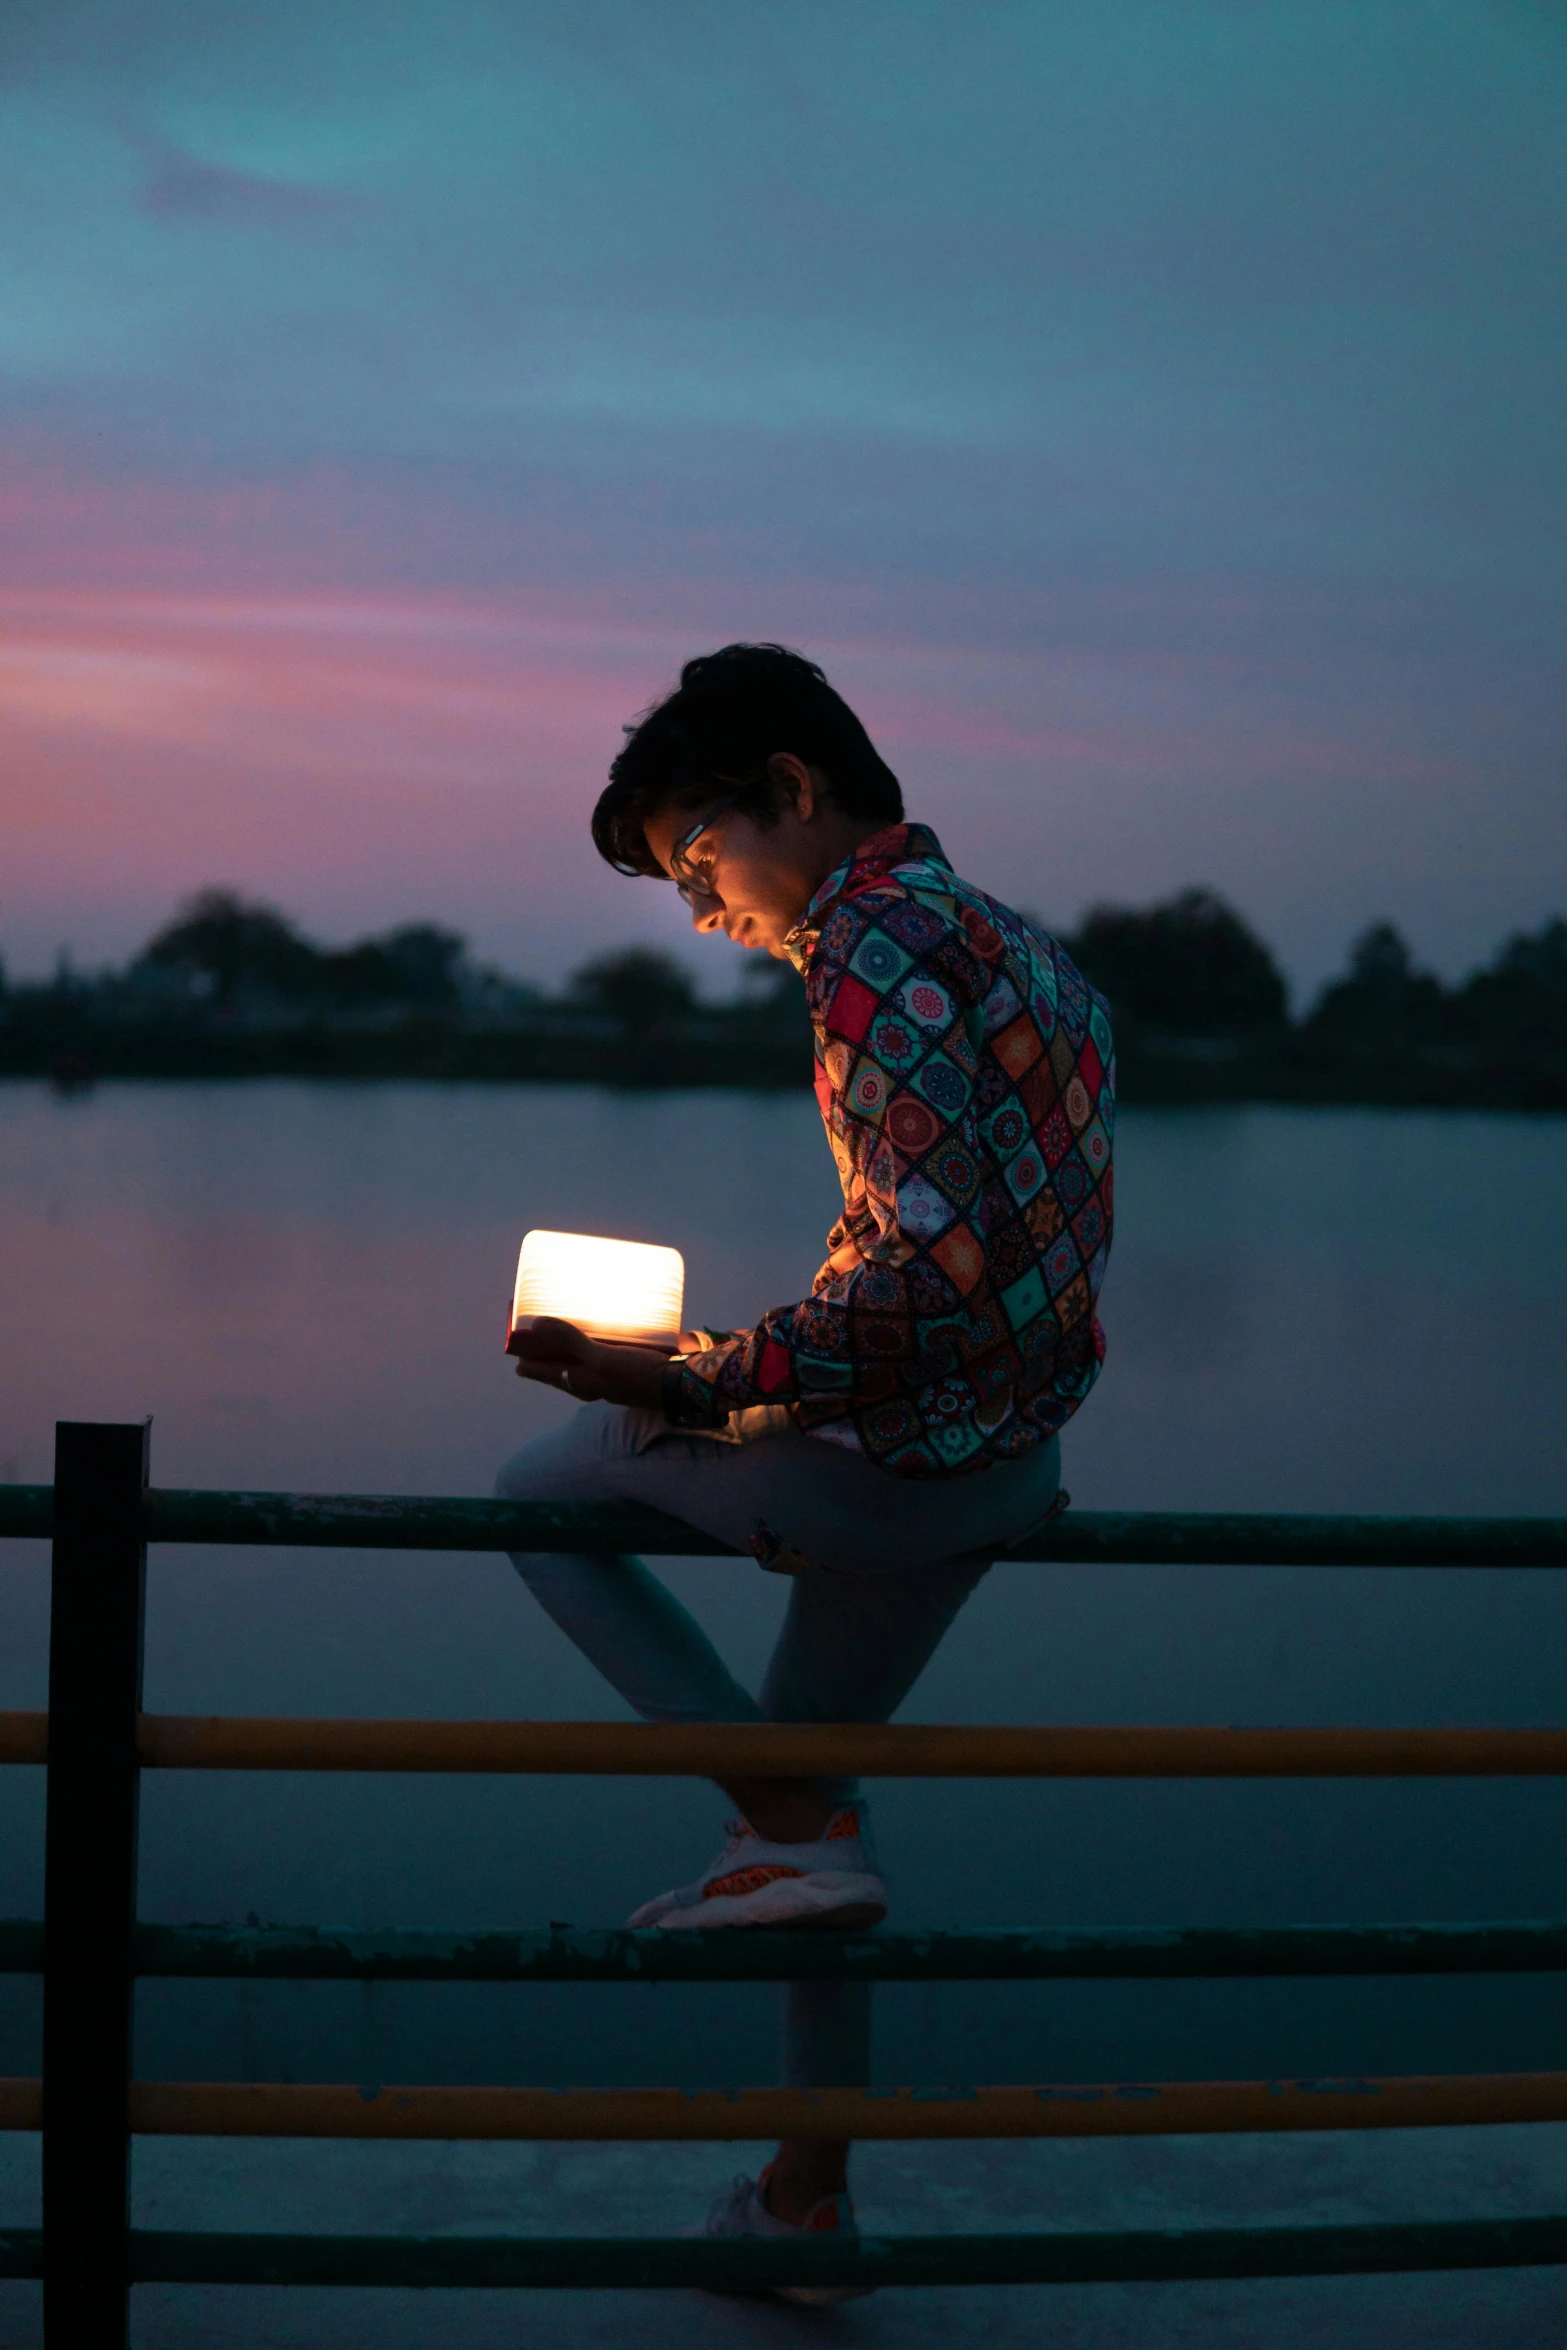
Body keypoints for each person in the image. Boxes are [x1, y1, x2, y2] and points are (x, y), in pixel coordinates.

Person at [497, 642, 1114, 2300]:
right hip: (1009, 1467)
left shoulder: (867, 943)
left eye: (700, 861)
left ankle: (778, 1818)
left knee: (531, 1489)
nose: (706, 915)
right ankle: (803, 2203)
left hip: (890, 1469)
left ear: (790, 790)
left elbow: (923, 1277)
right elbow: (990, 1257)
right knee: (819, 1839)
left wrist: (694, 1377)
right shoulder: (1029, 954)